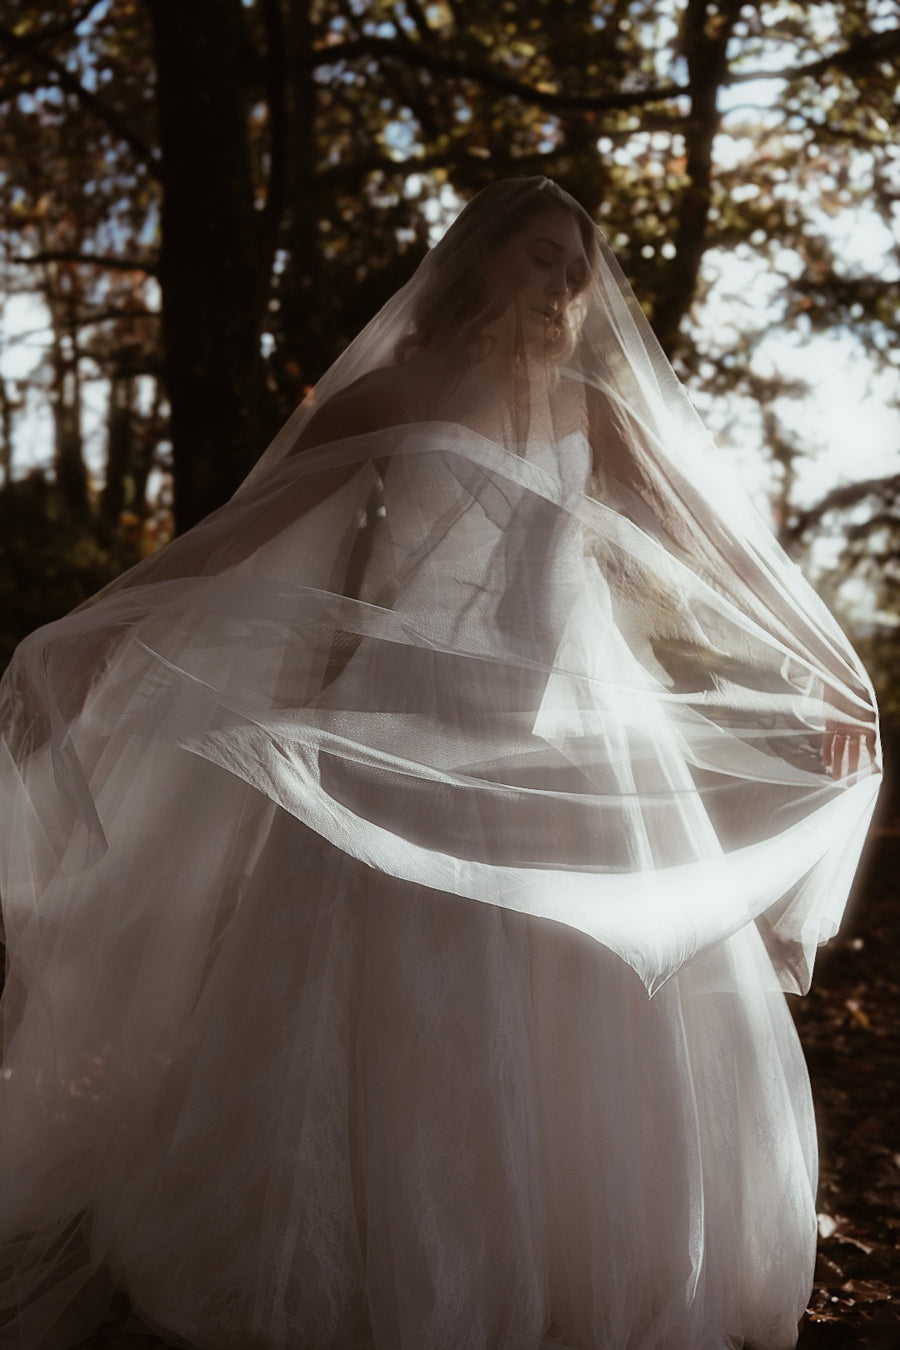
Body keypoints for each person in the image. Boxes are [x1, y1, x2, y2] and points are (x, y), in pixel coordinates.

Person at [0, 177, 881, 1350]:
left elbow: (717, 548)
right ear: (478, 263)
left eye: (577, 265)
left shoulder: (593, 416)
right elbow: (235, 536)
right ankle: (391, 1255)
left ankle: (587, 1257)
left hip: (574, 736)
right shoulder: (388, 397)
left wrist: (827, 666)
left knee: (586, 993)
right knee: (393, 998)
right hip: (408, 727)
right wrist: (99, 629)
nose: (567, 283)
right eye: (541, 257)